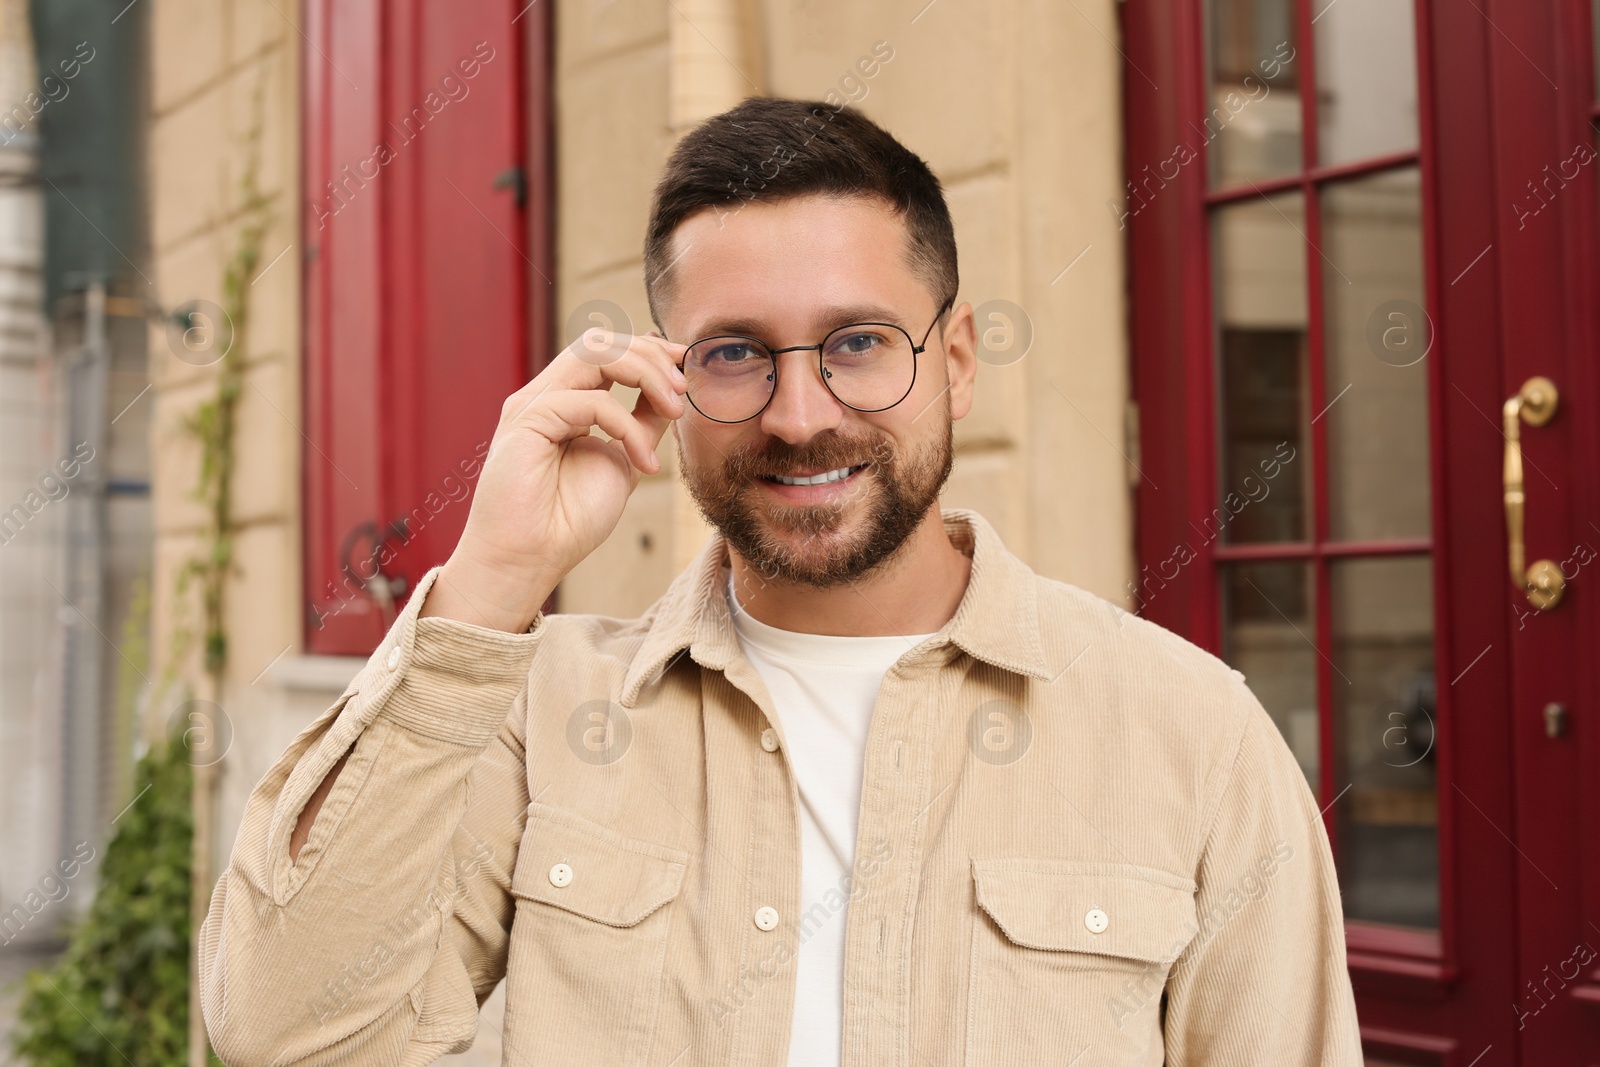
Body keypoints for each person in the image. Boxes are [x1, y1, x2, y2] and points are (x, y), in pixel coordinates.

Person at [200, 96, 1361, 1066]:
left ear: (954, 364)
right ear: (666, 381)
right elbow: (284, 1028)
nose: (801, 417)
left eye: (857, 341)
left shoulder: (1189, 730)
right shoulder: (538, 714)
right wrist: (495, 575)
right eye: (736, 353)